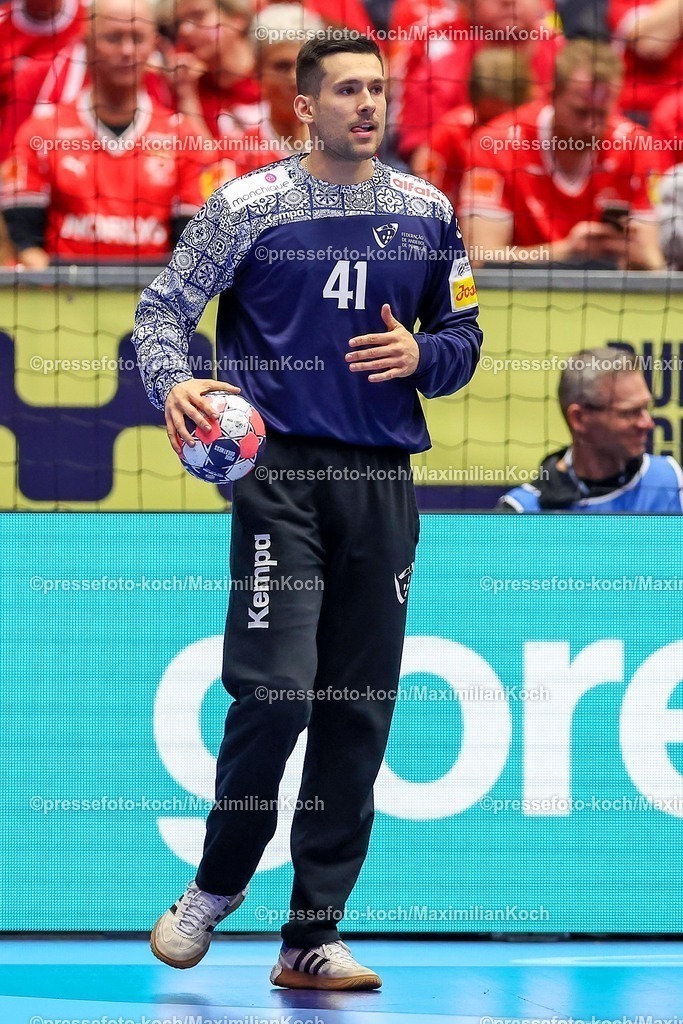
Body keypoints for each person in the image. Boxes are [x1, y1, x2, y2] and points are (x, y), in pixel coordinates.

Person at [132, 32, 482, 990]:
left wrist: (426, 359)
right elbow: (159, 313)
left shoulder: (427, 211)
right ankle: (213, 887)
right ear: (303, 106)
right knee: (280, 692)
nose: (366, 106)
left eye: (377, 89)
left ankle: (309, 940)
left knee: (356, 712)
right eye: (346, 91)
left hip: (381, 486)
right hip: (278, 477)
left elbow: (462, 335)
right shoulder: (248, 206)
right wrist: (173, 383)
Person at [0, 0, 212, 266]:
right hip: (61, 292)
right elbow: (24, 242)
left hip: (155, 292)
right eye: (113, 38)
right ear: (86, 43)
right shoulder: (41, 132)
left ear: (154, 44)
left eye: (137, 38)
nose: (126, 50)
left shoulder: (183, 136)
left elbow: (192, 247)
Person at [459, 39, 664, 269]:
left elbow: (655, 266)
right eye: (581, 112)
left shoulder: (637, 146)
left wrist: (637, 256)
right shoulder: (496, 143)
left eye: (601, 113)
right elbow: (479, 259)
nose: (592, 126)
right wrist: (567, 251)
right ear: (553, 95)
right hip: (520, 294)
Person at [498, 347, 683, 512]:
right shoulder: (521, 510)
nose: (647, 423)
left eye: (646, 408)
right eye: (630, 413)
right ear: (579, 418)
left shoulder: (671, 481)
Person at [410, 46, 533, 206]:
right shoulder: (452, 130)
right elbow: (424, 197)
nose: (496, 131)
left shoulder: (542, 130)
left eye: (505, 121)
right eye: (487, 120)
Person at [225, 3, 325, 176]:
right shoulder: (237, 153)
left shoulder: (344, 143)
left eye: (304, 66)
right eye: (282, 66)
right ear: (257, 72)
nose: (295, 79)